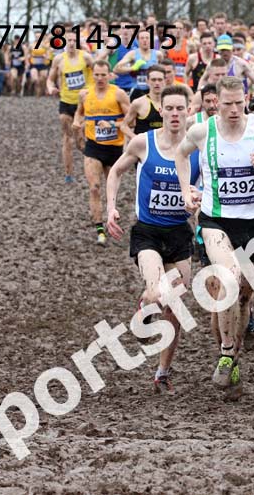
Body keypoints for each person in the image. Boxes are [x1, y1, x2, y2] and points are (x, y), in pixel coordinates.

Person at [175, 76, 254, 399]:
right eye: (227, 103)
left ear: (246, 99)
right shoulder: (202, 132)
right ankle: (227, 351)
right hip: (215, 221)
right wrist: (186, 187)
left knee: (242, 297)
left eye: (238, 102)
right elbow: (180, 153)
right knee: (228, 279)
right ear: (215, 102)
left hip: (253, 225)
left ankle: (234, 356)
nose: (233, 109)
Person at [105, 84, 201, 392]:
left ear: (189, 111)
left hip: (180, 234)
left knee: (174, 306)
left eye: (180, 108)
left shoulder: (198, 149)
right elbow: (116, 172)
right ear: (160, 110)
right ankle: (144, 304)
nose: (174, 114)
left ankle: (163, 372)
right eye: (169, 108)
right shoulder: (143, 143)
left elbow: (210, 186)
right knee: (158, 292)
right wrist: (110, 209)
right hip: (147, 232)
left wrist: (199, 199)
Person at [72, 59, 131, 244]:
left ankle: (110, 219)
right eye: (96, 75)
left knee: (110, 191)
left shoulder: (119, 94)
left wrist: (113, 124)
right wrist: (77, 122)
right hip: (93, 147)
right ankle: (100, 231)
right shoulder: (85, 94)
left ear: (109, 76)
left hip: (114, 149)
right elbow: (80, 112)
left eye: (103, 75)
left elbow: (131, 122)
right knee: (94, 188)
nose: (99, 78)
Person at [47, 31, 95, 183]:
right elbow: (50, 79)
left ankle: (89, 161)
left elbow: (98, 73)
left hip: (83, 102)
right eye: (69, 40)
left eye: (74, 40)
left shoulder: (86, 57)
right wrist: (51, 88)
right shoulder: (59, 59)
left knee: (80, 139)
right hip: (66, 101)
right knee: (67, 138)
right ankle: (68, 174)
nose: (72, 43)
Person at [113, 28, 165, 99]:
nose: (145, 40)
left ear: (151, 40)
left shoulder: (158, 54)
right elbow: (116, 69)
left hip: (153, 90)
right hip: (136, 90)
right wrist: (133, 68)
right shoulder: (133, 54)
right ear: (138, 40)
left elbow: (163, 72)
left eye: (147, 38)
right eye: (142, 38)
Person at [123, 65, 166, 136]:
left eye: (160, 79)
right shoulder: (138, 103)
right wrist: (135, 138)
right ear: (147, 81)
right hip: (144, 145)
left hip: (164, 145)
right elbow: (124, 126)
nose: (157, 83)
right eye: (153, 80)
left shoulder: (171, 102)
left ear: (164, 81)